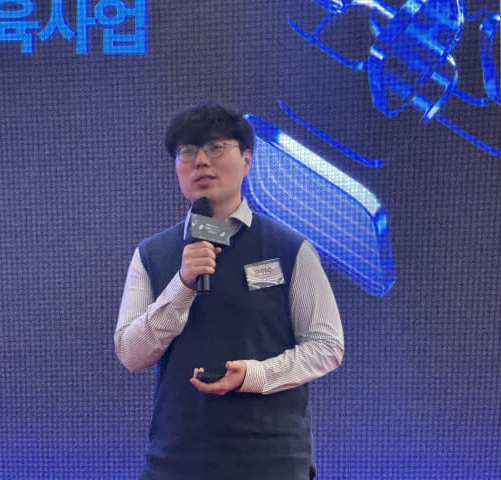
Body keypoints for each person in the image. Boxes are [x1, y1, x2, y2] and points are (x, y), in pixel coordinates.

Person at [115, 103, 344, 480]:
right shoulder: (152, 254)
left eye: (216, 147)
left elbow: (326, 346)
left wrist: (253, 375)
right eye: (187, 151)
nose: (201, 161)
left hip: (271, 462)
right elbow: (131, 354)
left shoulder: (290, 248)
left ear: (247, 159)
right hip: (176, 462)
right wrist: (182, 284)